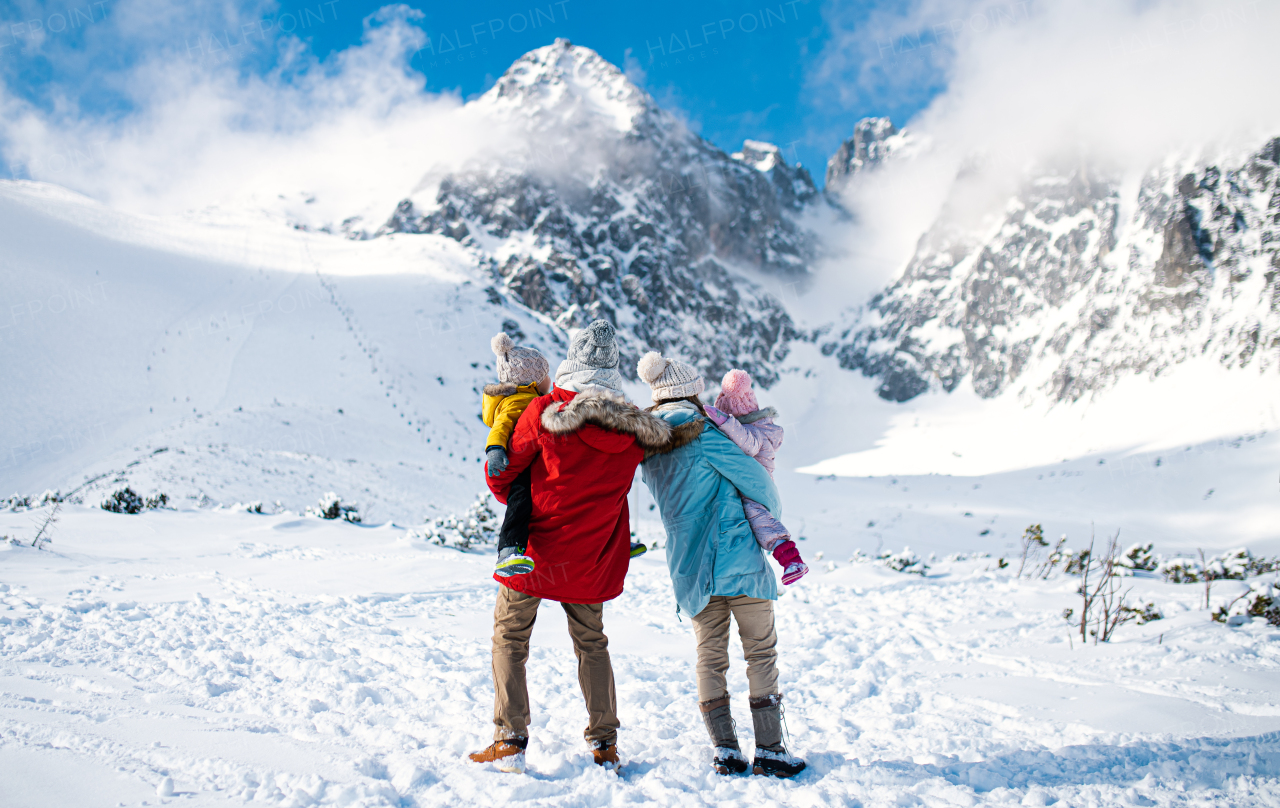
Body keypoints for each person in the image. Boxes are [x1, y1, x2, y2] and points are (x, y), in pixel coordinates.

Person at [469, 321, 699, 774]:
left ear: (573, 361)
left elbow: (504, 475)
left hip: (533, 552)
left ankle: (510, 737)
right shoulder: (633, 430)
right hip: (592, 558)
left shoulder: (543, 411)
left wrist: (523, 498)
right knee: (592, 644)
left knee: (510, 638)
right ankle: (604, 743)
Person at [636, 351, 807, 779]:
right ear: (693, 393)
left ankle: (726, 751)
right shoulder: (704, 435)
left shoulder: (649, 450)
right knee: (760, 654)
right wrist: (770, 519)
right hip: (739, 560)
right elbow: (757, 483)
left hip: (690, 569)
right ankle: (770, 751)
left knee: (710, 659)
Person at [703, 369, 808, 585]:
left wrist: (726, 422)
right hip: (754, 484)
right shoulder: (760, 427)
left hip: (754, 489)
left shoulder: (753, 432)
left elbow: (749, 445)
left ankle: (793, 561)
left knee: (759, 520)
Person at [481, 332, 551, 578]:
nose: (549, 380)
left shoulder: (528, 398)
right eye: (545, 376)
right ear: (531, 380)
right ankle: (508, 550)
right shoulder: (519, 401)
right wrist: (495, 450)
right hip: (519, 469)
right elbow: (501, 426)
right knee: (520, 503)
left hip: (530, 463)